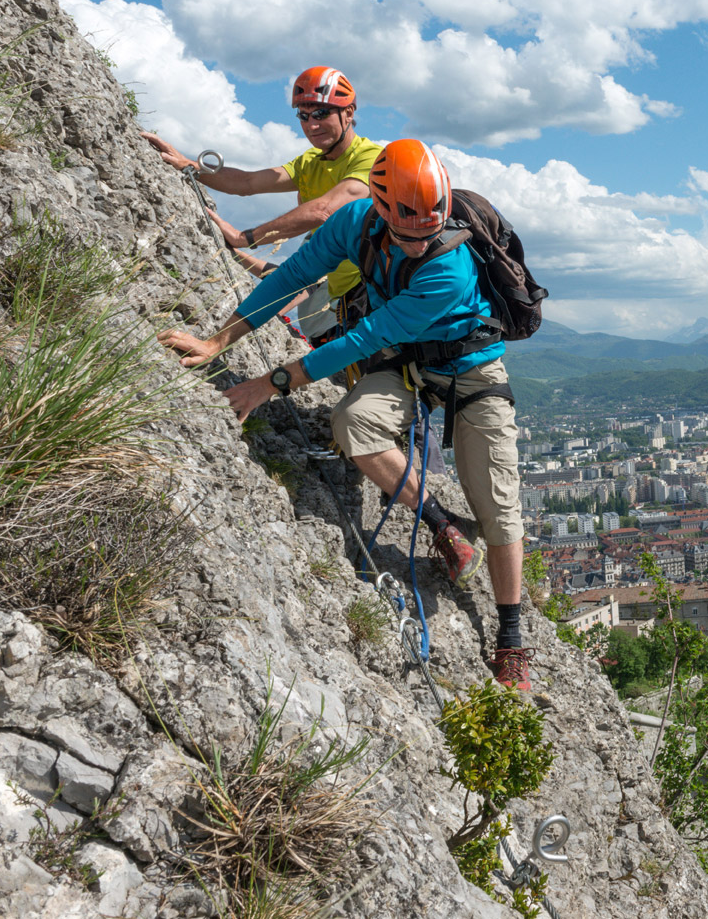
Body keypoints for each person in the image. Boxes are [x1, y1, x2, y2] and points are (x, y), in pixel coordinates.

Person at [158, 139, 532, 690]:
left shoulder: (447, 266)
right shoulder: (354, 223)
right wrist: (218, 342)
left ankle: (512, 639)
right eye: (406, 236)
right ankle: (441, 524)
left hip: (470, 368)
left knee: (499, 506)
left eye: (427, 234)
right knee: (351, 423)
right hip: (404, 362)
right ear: (380, 210)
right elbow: (288, 279)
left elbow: (360, 338)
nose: (415, 246)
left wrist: (268, 385)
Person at [141, 66, 381, 337]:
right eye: (304, 115)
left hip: (373, 294)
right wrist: (189, 164)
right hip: (342, 297)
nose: (312, 125)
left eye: (322, 113)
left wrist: (245, 237)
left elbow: (323, 210)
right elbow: (247, 183)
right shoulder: (309, 163)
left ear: (349, 112)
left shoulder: (371, 158)